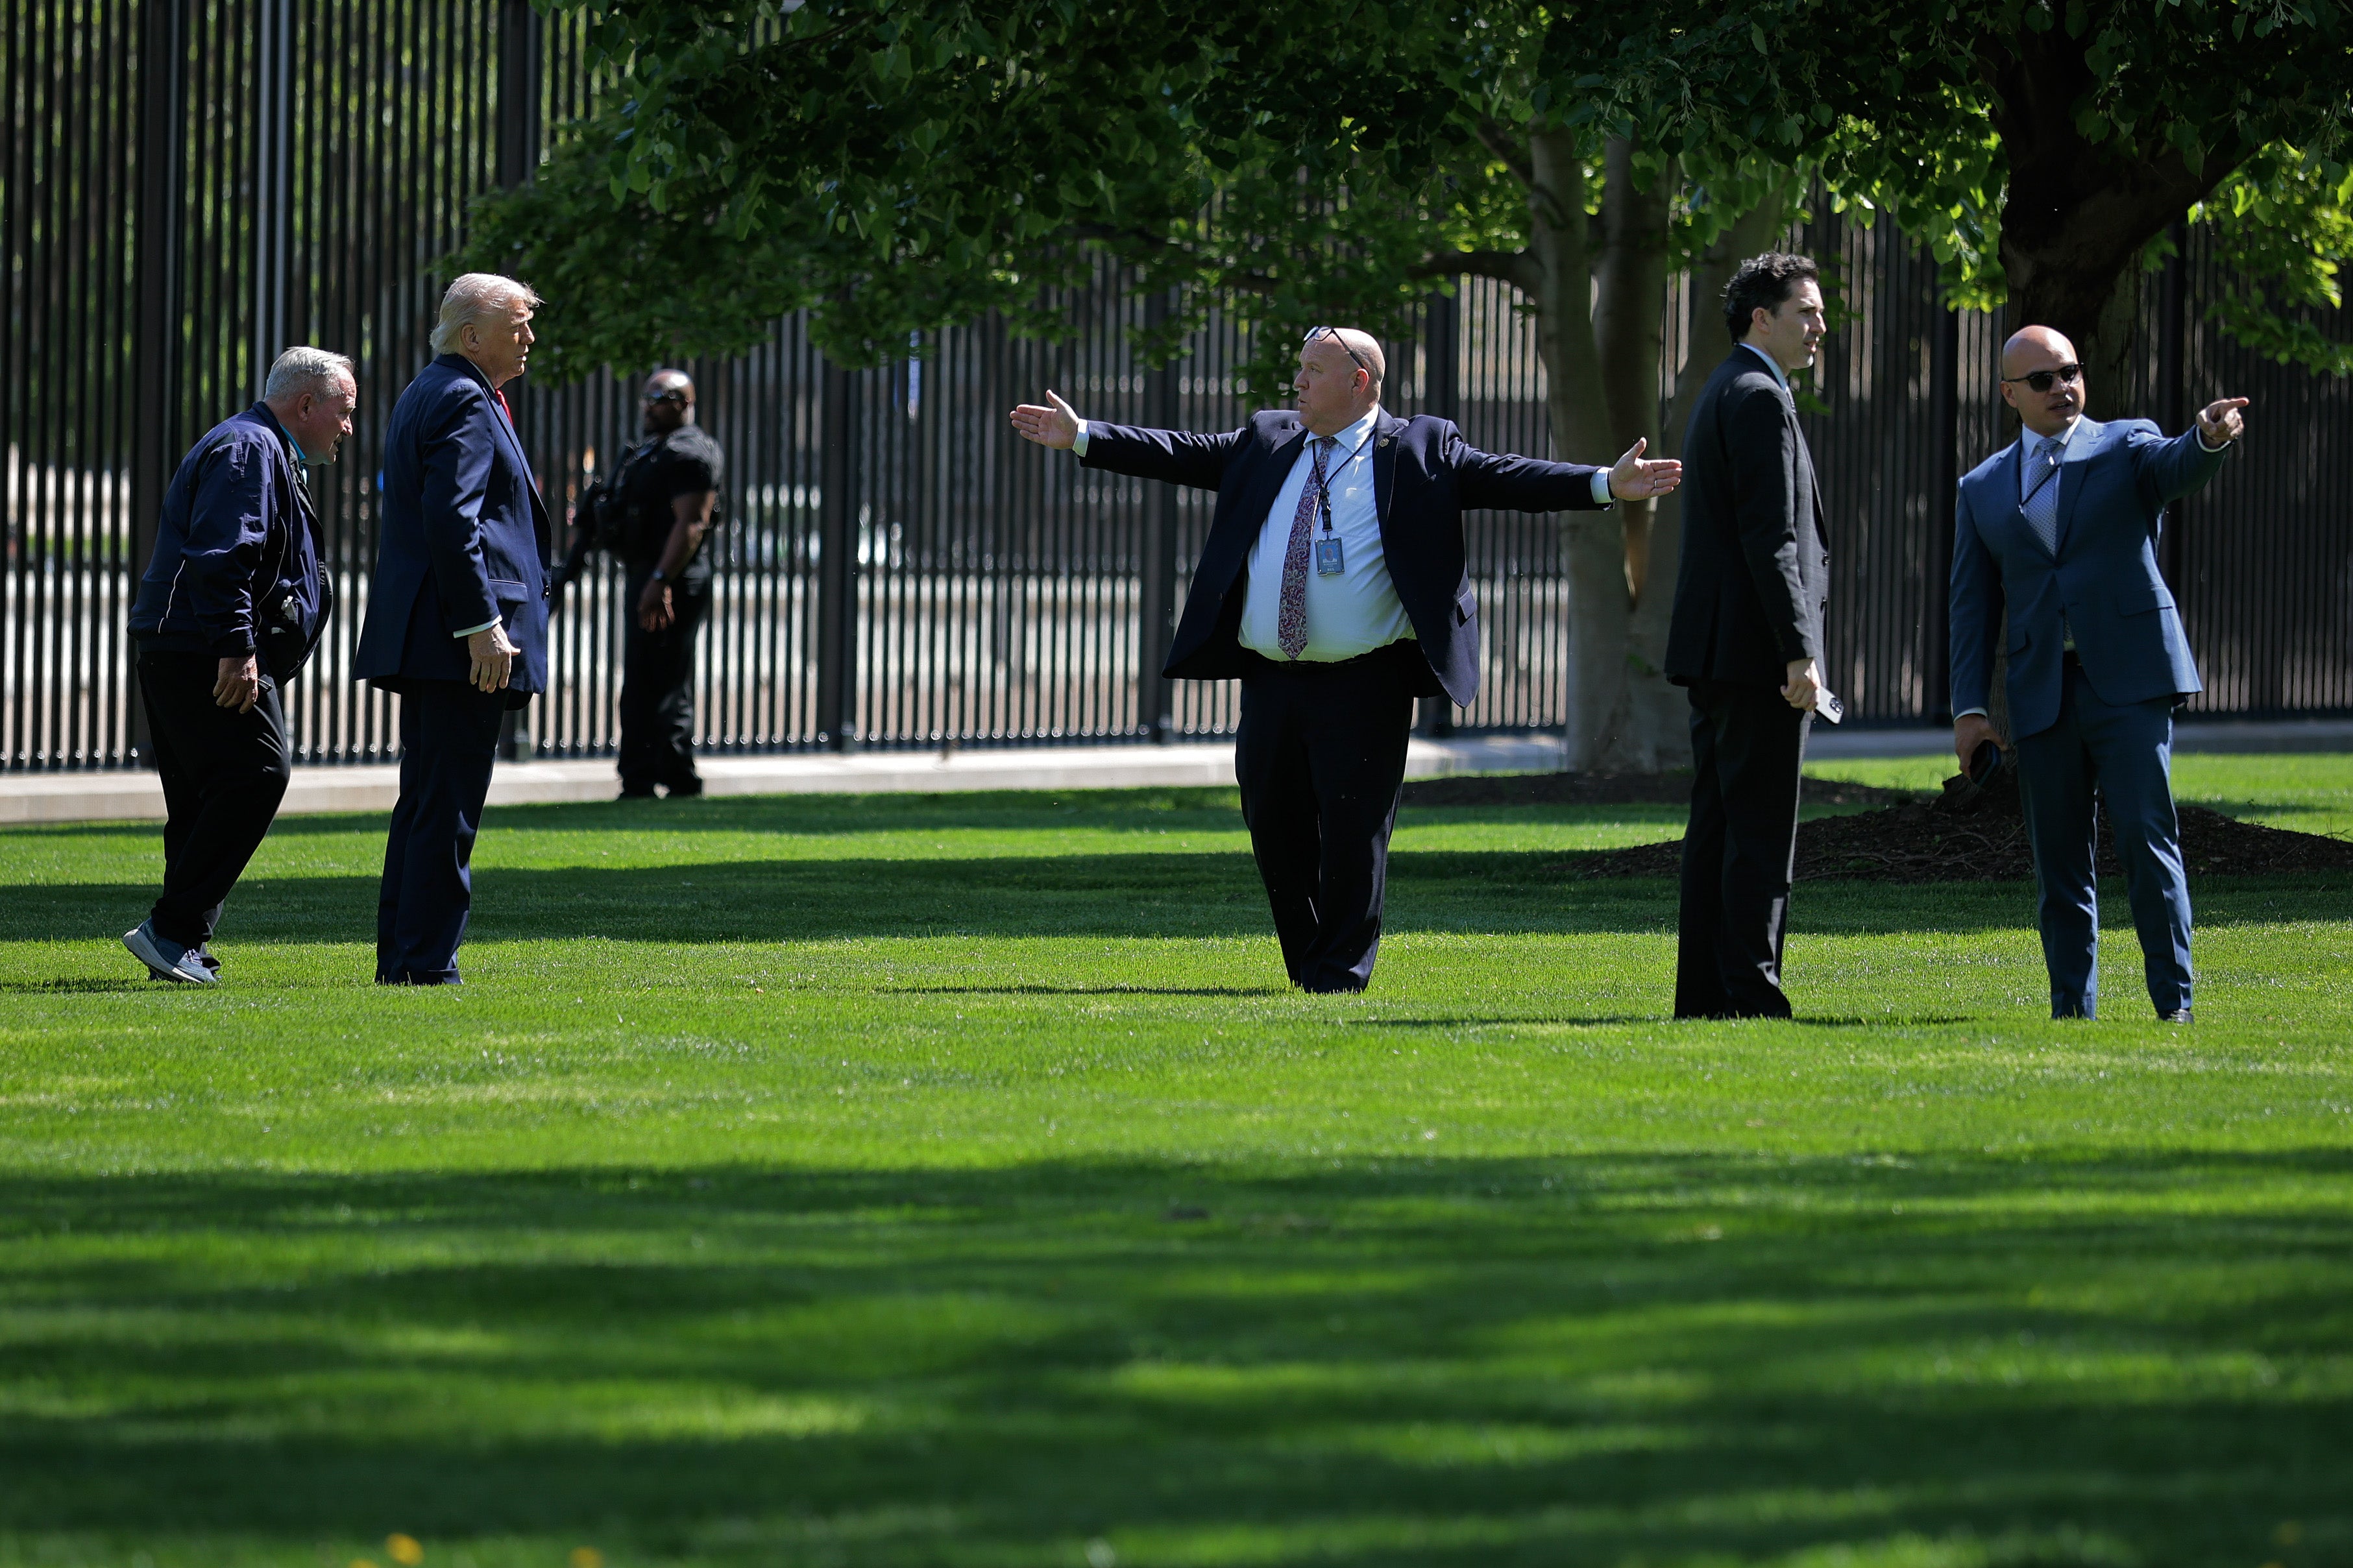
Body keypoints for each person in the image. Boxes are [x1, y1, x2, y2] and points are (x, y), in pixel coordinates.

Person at [1011, 326, 1681, 992]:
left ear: (1359, 380)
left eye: (1313, 369)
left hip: (1366, 684)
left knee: (1354, 834)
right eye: (1299, 367)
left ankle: (1336, 976)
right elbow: (1182, 453)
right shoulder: (1268, 439)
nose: (1297, 381)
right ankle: (1311, 962)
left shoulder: (1419, 448)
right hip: (1271, 679)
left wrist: (1604, 483)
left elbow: (1508, 477)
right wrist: (1083, 435)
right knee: (1272, 824)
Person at [1951, 326, 2247, 1022]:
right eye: (2042, 380)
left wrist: (2206, 438)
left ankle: (2174, 1007)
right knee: (2058, 862)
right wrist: (1969, 709)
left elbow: (2175, 466)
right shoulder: (1981, 487)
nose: (2062, 387)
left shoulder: (2125, 444)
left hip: (2130, 681)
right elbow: (1970, 609)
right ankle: (2071, 1013)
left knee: (2146, 840)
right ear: (2009, 395)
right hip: (2041, 691)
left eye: (2071, 372)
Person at [121, 348, 354, 983]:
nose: (347, 426)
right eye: (343, 410)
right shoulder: (250, 447)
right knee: (258, 772)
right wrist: (237, 646)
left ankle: (178, 945)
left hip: (186, 645)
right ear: (305, 404)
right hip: (203, 647)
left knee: (204, 798)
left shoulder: (261, 446)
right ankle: (172, 930)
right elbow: (225, 553)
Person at [354, 273, 552, 985]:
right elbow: (452, 519)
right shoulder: (464, 397)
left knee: (428, 802)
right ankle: (426, 964)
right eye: (518, 323)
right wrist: (481, 624)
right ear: (473, 335)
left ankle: (406, 958)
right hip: (457, 641)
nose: (530, 336)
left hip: (439, 637)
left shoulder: (434, 389)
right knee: (446, 807)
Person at [1663, 252, 1833, 1020]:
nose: (1819, 326)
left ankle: (1705, 995)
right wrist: (1798, 652)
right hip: (1756, 655)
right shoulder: (1758, 395)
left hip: (1718, 651)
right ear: (1760, 318)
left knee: (1718, 828)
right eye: (1806, 312)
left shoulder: (1725, 386)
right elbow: (1772, 538)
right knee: (1759, 832)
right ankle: (1749, 993)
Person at [594, 368, 724, 799]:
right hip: (650, 574)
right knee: (646, 676)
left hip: (671, 580)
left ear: (685, 403)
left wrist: (660, 579)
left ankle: (670, 776)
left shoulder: (691, 453)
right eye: (646, 398)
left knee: (662, 679)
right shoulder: (652, 450)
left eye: (661, 398)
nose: (649, 406)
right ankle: (647, 775)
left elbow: (692, 524)